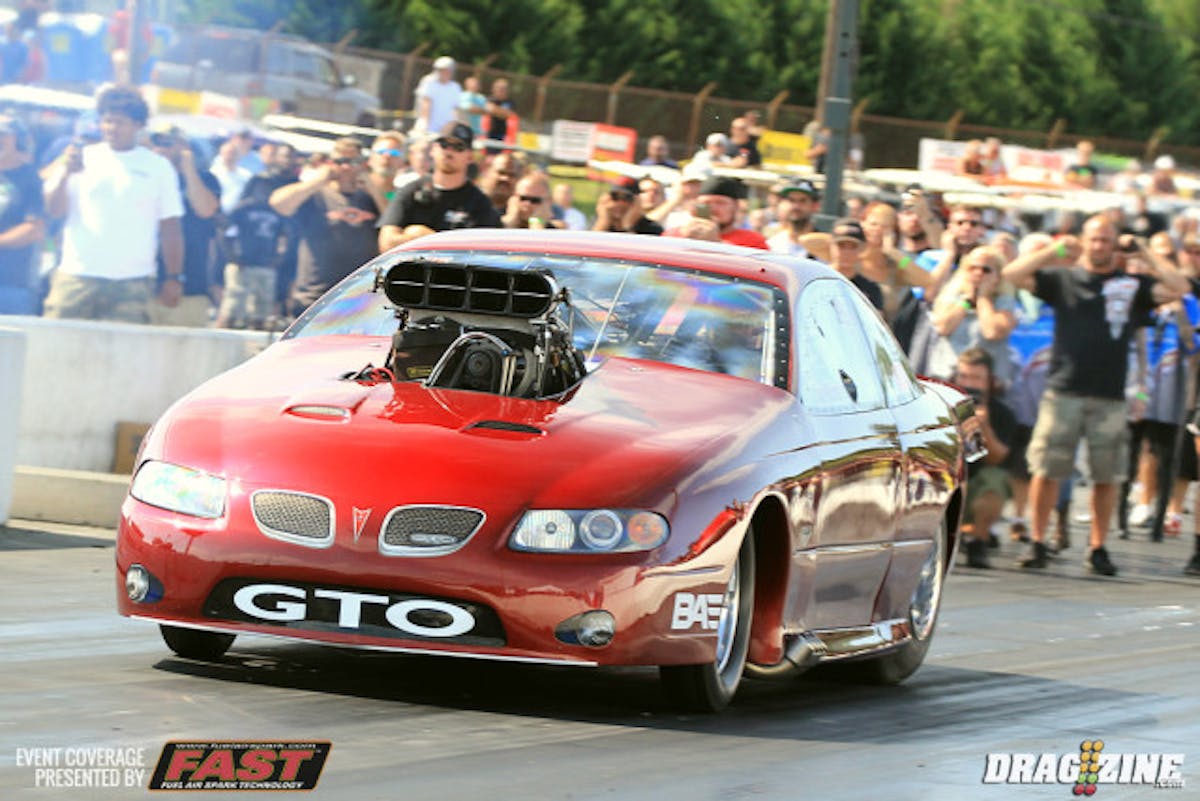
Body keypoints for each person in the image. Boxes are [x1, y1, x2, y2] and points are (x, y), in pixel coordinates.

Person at [1002, 216, 1189, 575]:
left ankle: (1098, 547)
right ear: (1084, 241)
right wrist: (1054, 250)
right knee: (1046, 470)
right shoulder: (1064, 278)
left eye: (1106, 240)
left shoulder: (1131, 285)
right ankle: (1038, 541)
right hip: (1063, 389)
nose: (1099, 246)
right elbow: (1012, 275)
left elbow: (1178, 287)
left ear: (1115, 244)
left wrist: (1145, 251)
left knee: (1107, 475)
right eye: (1094, 239)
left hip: (1109, 394)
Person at [42, 85, 183, 324]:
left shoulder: (158, 167)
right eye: (107, 121)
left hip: (132, 281)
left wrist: (174, 276)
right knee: (58, 350)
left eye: (120, 122)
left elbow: (170, 227)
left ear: (138, 125)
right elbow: (54, 211)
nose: (111, 128)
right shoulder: (80, 157)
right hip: (77, 276)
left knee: (124, 356)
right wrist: (66, 172)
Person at [269, 137, 380, 316]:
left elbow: (392, 219)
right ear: (330, 163)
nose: (346, 167)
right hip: (315, 299)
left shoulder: (371, 198)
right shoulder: (315, 195)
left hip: (361, 301)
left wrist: (371, 184)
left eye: (353, 162)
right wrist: (317, 180)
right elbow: (278, 203)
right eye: (340, 161)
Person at [378, 122, 500, 251]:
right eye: (444, 145)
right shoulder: (410, 191)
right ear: (433, 149)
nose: (449, 151)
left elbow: (482, 252)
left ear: (470, 156)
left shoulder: (480, 203)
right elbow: (386, 243)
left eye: (458, 147)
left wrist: (420, 235)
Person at [145, 123, 221, 327]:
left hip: (190, 288)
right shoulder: (147, 176)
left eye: (168, 144)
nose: (161, 149)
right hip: (144, 283)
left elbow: (206, 210)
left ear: (184, 146)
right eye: (157, 143)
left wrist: (188, 169)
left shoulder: (205, 178)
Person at [954, 347, 1018, 568]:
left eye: (977, 378)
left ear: (989, 381)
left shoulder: (1002, 413)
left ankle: (977, 541)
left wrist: (984, 428)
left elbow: (999, 459)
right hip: (947, 480)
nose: (969, 383)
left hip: (976, 483)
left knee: (996, 482)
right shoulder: (941, 406)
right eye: (964, 376)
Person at [928, 246, 1019, 385]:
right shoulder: (949, 298)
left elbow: (992, 332)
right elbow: (943, 328)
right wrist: (967, 301)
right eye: (972, 268)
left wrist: (983, 298)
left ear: (998, 276)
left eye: (986, 270)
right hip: (948, 377)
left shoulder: (1004, 302)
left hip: (987, 383)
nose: (978, 273)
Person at [0, 115, 45, 315]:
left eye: (3, 134)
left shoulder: (30, 179)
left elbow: (34, 230)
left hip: (12, 285)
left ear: (17, 140)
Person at [666, 175, 767, 249]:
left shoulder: (753, 242)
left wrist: (716, 243)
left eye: (721, 203)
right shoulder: (674, 235)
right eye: (706, 203)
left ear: (735, 207)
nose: (713, 208)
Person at [766, 179, 819, 257]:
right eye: (791, 200)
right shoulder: (773, 245)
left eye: (803, 201)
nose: (796, 206)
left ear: (815, 206)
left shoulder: (825, 247)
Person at [593, 176, 662, 235]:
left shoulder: (652, 228)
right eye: (615, 197)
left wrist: (627, 226)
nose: (620, 203)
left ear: (637, 202)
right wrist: (603, 222)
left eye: (627, 198)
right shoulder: (601, 222)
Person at [414, 56, 462, 136]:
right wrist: (423, 124)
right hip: (428, 128)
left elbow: (456, 109)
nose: (444, 72)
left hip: (447, 128)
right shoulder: (428, 82)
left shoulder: (455, 87)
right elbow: (425, 105)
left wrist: (452, 125)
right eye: (440, 70)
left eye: (446, 70)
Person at [483, 78, 515, 154]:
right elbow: (488, 109)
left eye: (503, 89)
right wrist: (501, 112)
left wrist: (494, 110)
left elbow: (508, 115)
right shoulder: (489, 99)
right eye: (499, 88)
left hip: (503, 135)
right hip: (487, 133)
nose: (501, 90)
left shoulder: (510, 102)